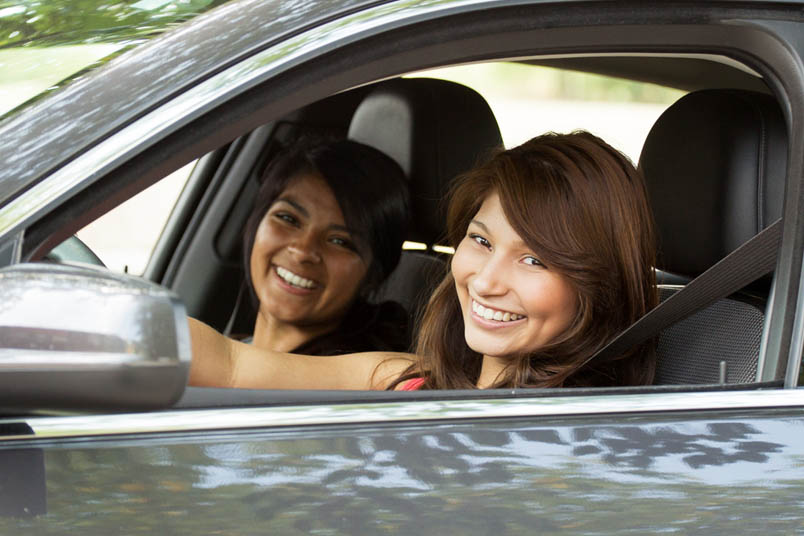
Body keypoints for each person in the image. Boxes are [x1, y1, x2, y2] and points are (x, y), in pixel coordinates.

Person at [190, 131, 658, 390]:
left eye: (534, 261)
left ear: (598, 285)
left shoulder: (584, 431)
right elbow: (232, 366)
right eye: (481, 241)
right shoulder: (410, 377)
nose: (486, 281)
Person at [239, 138, 411, 355]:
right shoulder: (229, 351)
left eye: (340, 241)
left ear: (373, 275)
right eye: (288, 218)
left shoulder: (355, 383)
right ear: (257, 222)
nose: (303, 251)